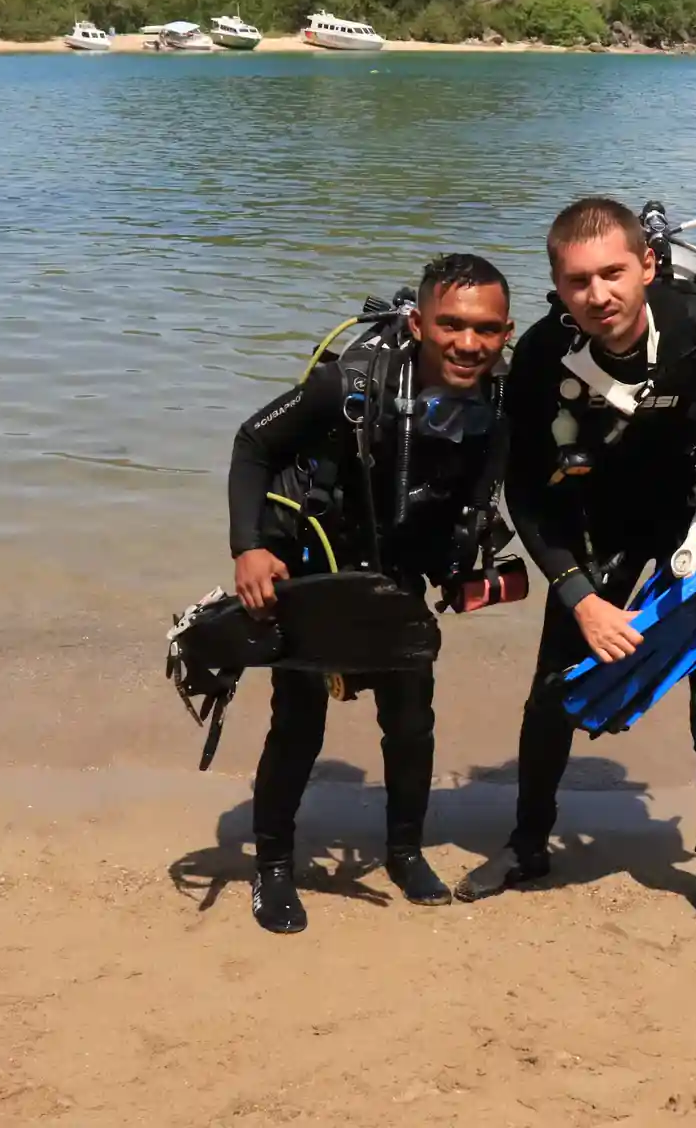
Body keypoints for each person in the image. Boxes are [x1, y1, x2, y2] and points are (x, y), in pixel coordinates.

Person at [454, 198, 696, 945]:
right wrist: (578, 595)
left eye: (614, 273)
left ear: (647, 266)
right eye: (579, 281)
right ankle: (528, 847)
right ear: (557, 286)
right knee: (552, 693)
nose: (600, 295)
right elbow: (522, 488)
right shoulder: (540, 355)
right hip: (604, 526)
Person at [227, 254, 514, 934]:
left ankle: (405, 852)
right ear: (418, 322)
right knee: (298, 725)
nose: (468, 344)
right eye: (450, 325)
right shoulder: (350, 383)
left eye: (487, 329)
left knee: (411, 721)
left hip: (399, 576)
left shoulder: (506, 393)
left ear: (506, 332)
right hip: (313, 565)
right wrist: (249, 547)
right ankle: (272, 866)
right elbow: (252, 444)